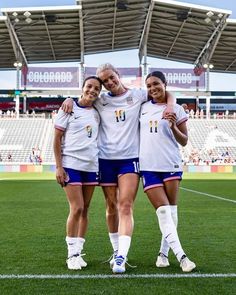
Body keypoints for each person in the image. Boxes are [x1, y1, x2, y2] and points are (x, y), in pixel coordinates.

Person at [62, 64, 175, 273]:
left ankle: (122, 256)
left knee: (125, 205)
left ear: (118, 75)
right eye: (105, 81)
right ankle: (115, 251)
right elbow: (83, 99)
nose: (110, 83)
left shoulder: (139, 95)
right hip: (105, 160)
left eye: (112, 78)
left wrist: (171, 104)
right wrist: (69, 99)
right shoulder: (101, 100)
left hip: (130, 159)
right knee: (111, 206)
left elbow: (164, 91)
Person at [139, 71, 196, 272]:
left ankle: (163, 254)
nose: (153, 88)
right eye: (149, 86)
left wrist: (172, 126)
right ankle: (182, 258)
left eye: (156, 84)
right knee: (163, 211)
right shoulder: (142, 107)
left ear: (165, 84)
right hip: (148, 166)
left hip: (170, 164)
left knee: (171, 211)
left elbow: (184, 140)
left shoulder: (177, 109)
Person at [53, 76, 101, 270]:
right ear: (82, 88)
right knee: (77, 207)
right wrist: (58, 166)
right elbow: (56, 139)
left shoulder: (98, 112)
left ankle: (78, 252)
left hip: (91, 166)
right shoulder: (68, 108)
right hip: (71, 164)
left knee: (86, 209)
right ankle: (71, 254)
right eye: (89, 86)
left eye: (97, 88)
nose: (92, 90)